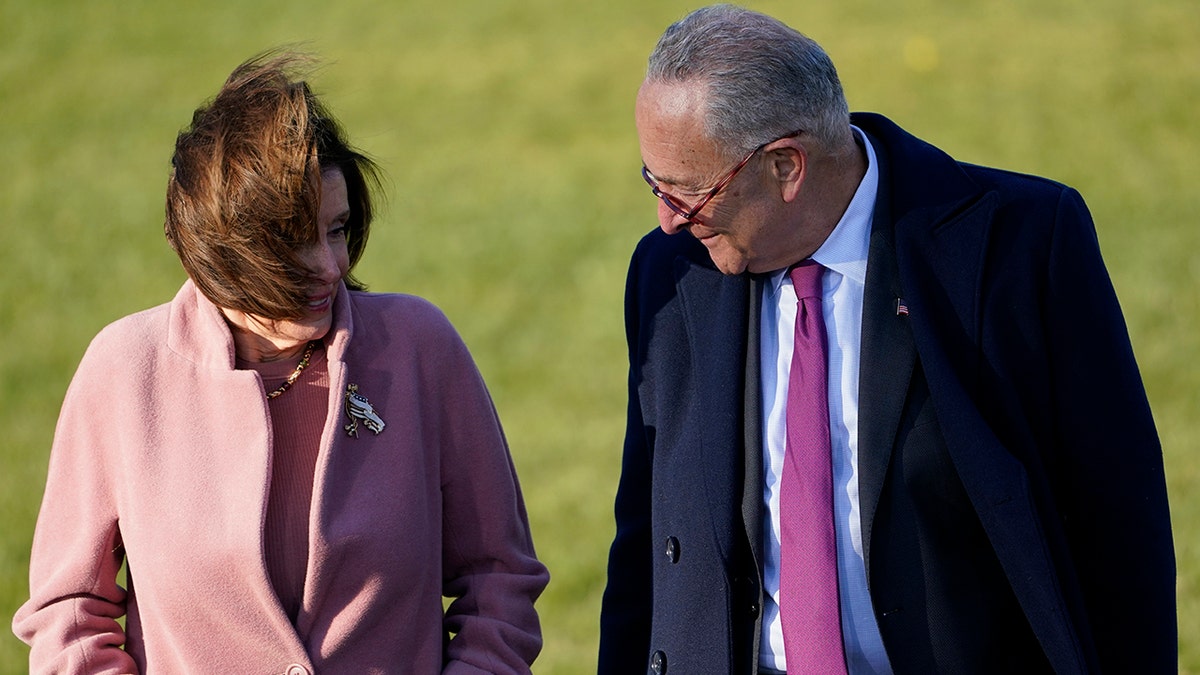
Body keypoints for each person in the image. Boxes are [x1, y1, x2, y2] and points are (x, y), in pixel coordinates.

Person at [599, 5, 1175, 674]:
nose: (666, 220)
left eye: (688, 192)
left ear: (788, 166)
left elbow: (1118, 526)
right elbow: (647, 537)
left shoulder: (1022, 245)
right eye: (654, 183)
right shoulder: (672, 273)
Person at [13, 52, 548, 673]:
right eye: (296, 243)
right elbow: (68, 613)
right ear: (221, 251)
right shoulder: (124, 371)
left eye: (339, 229)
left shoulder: (420, 348)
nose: (332, 267)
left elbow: (500, 582)